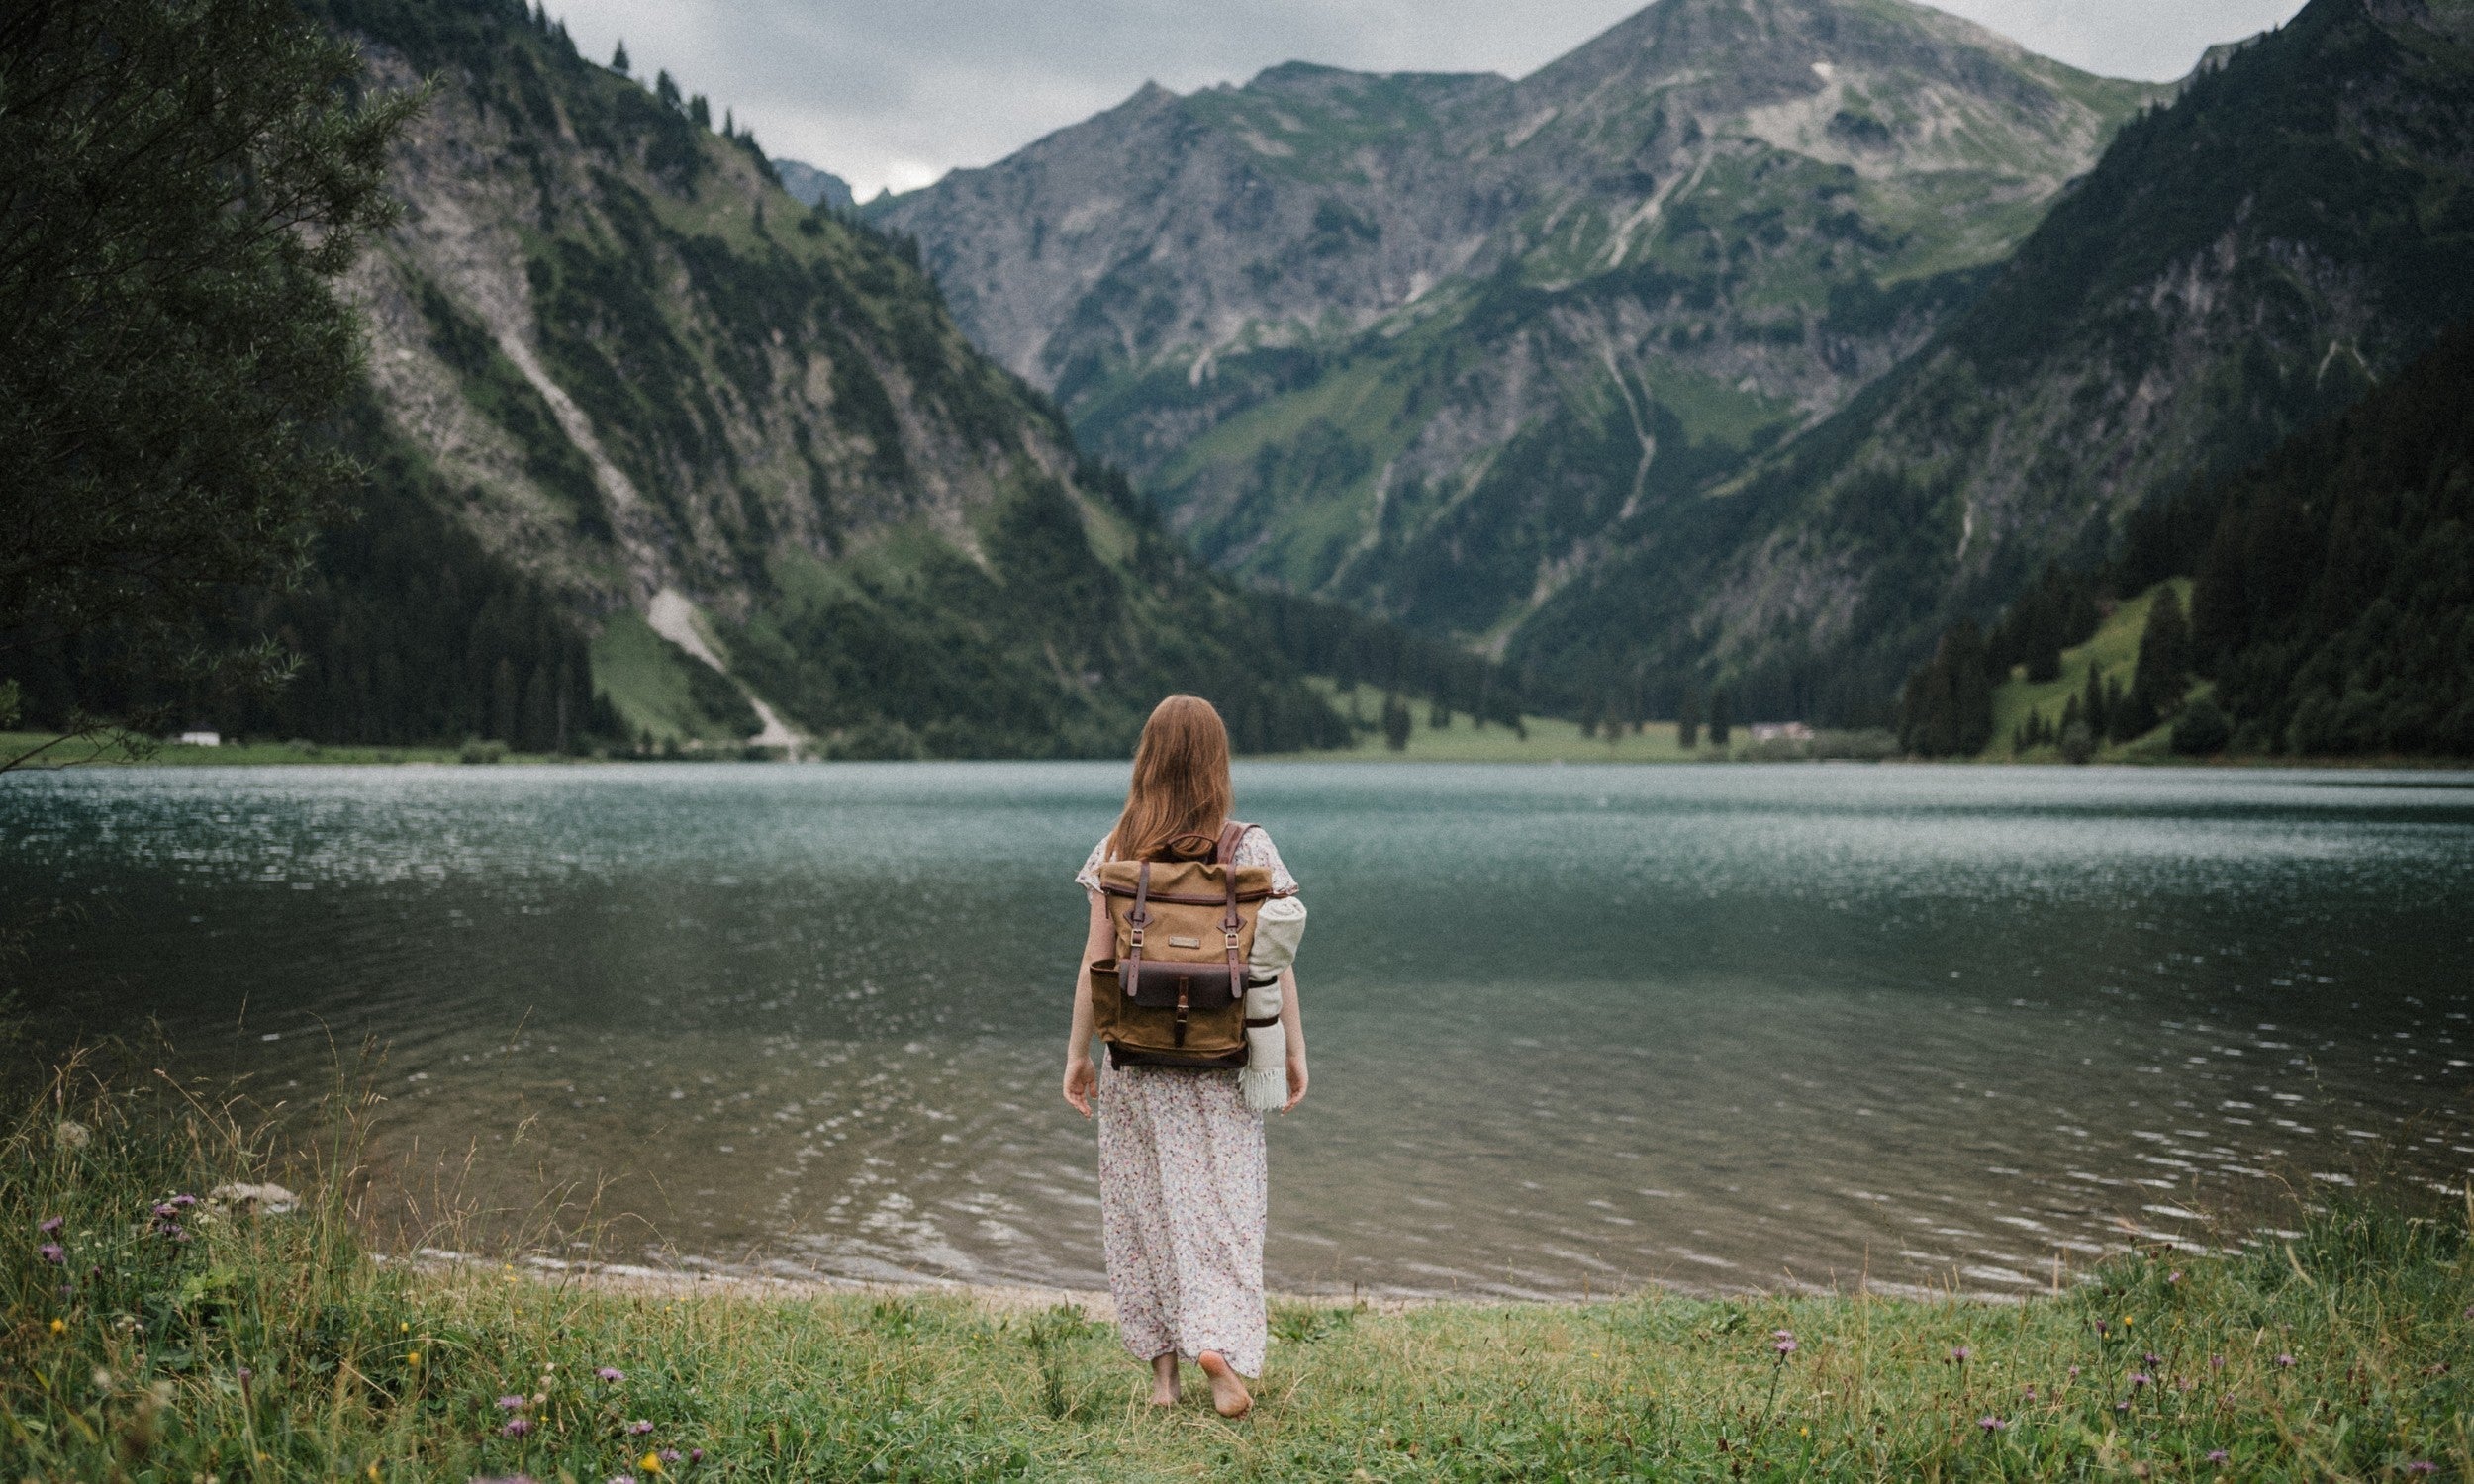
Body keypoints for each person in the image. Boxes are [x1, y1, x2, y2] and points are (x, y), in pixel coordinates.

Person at [1064, 694, 1308, 1419]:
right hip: (1223, 1061)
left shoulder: (1116, 849)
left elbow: (1095, 961)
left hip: (1136, 1060)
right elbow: (1276, 964)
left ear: (1147, 759)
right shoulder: (1249, 849)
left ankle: (1164, 1379)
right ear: (1216, 763)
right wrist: (1294, 1049)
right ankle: (1220, 1349)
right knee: (1224, 1213)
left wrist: (1078, 1054)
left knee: (1143, 1212)